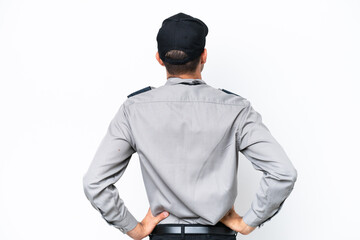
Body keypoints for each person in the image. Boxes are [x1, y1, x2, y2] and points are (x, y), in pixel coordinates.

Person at [82, 12, 298, 240]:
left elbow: (94, 182)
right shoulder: (236, 109)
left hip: (165, 236)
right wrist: (248, 222)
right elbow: (283, 172)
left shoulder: (134, 109)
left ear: (159, 58)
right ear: (204, 56)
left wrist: (134, 228)